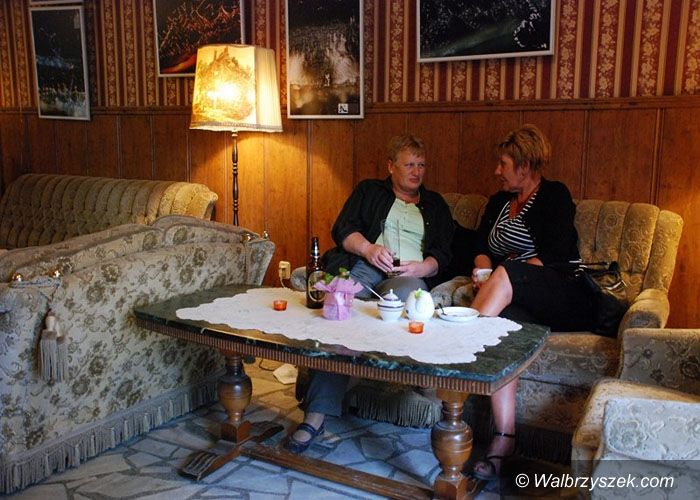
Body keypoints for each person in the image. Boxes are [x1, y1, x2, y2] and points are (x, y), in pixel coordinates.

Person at [286, 134, 454, 454]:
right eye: (409, 165)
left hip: (407, 277)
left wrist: (422, 267)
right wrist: (369, 249)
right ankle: (316, 416)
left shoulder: (435, 205)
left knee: (404, 302)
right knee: (340, 316)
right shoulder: (369, 191)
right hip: (366, 266)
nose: (416, 172)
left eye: (421, 165)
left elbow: (444, 254)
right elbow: (343, 229)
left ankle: (345, 388)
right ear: (391, 167)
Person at [468, 124, 595, 481]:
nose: (497, 170)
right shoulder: (498, 201)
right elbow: (480, 245)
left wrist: (504, 275)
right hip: (511, 290)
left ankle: (456, 353)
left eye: (504, 164)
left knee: (507, 274)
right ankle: (504, 438)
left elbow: (558, 254)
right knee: (502, 331)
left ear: (525, 166)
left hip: (560, 291)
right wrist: (483, 269)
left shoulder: (554, 195)